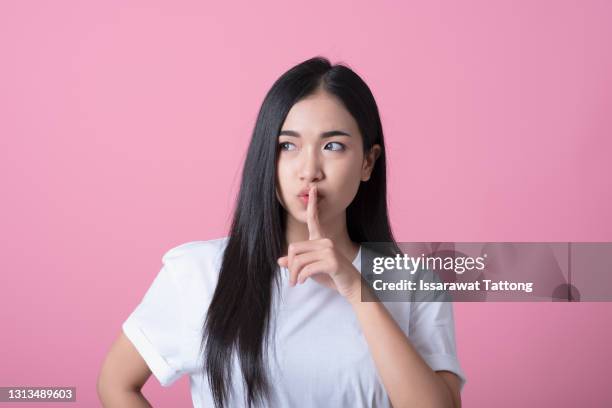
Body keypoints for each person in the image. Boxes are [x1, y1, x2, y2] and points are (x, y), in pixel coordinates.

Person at [97, 56, 467, 408]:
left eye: (333, 146)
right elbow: (116, 383)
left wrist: (355, 288)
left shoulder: (417, 285)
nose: (309, 170)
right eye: (287, 146)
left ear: (367, 162)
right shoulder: (199, 272)